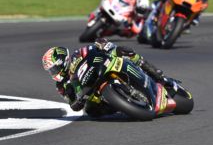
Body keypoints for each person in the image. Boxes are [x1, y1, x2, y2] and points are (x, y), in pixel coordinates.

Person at [42, 38, 179, 117]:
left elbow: (94, 48)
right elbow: (73, 104)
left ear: (62, 60)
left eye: (54, 69)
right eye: (50, 71)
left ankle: (157, 75)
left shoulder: (78, 54)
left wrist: (103, 45)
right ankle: (123, 105)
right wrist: (77, 102)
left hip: (103, 68)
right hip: (93, 94)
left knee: (126, 52)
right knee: (91, 112)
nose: (53, 73)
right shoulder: (62, 86)